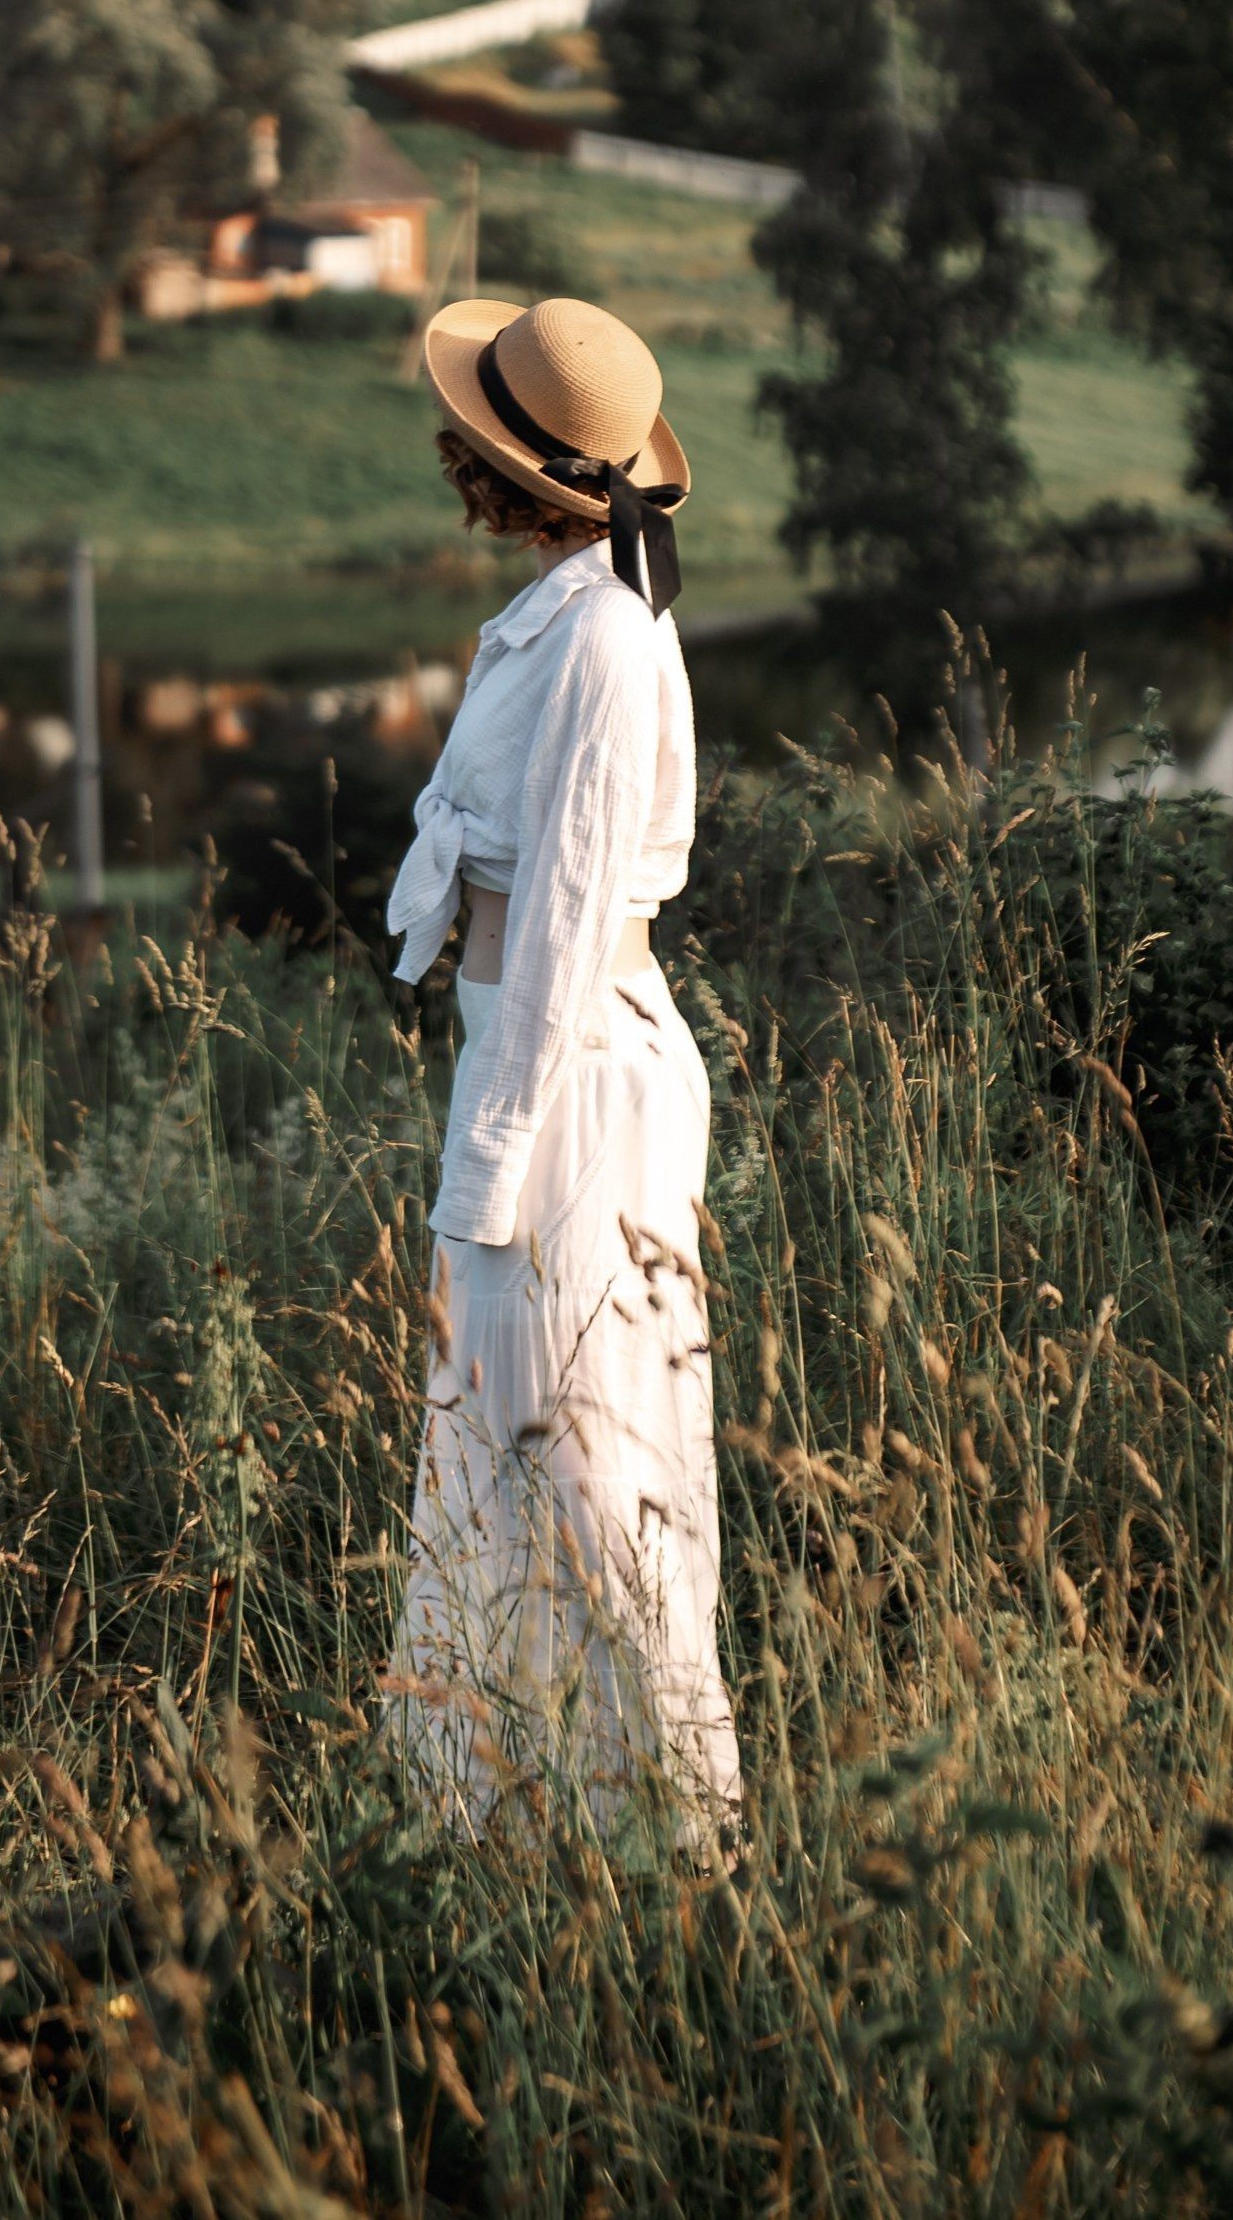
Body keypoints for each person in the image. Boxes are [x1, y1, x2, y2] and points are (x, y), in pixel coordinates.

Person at [384, 294, 743, 1842]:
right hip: (535, 1065)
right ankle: (510, 1817)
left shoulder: (600, 633)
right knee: (508, 1447)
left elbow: (568, 925)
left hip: (574, 1078)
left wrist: (486, 1167)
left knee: (593, 1468)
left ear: (501, 468)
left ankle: (684, 1822)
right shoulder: (570, 606)